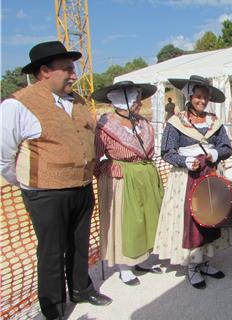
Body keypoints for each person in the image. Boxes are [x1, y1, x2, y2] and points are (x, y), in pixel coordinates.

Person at [0, 41, 112, 320]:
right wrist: (30, 184)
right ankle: (52, 307)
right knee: (51, 252)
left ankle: (81, 290)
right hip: (45, 194)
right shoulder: (18, 104)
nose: (73, 75)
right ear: (44, 71)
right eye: (67, 70)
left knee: (79, 243)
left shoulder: (78, 102)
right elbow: (4, 155)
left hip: (82, 188)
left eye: (72, 69)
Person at [154, 75, 232, 289]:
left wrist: (215, 154)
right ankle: (192, 267)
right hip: (187, 176)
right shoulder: (176, 122)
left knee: (211, 216)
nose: (202, 101)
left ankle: (206, 262)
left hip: (212, 175)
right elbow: (166, 152)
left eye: (205, 97)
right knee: (193, 220)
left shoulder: (214, 122)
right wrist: (186, 160)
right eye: (198, 96)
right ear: (190, 96)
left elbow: (227, 148)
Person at [91, 81, 164, 286]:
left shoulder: (142, 123)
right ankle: (125, 266)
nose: (140, 102)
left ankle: (142, 259)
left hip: (146, 174)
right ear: (124, 101)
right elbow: (95, 157)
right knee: (126, 222)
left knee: (148, 217)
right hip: (123, 178)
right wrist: (106, 170)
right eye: (137, 98)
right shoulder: (105, 126)